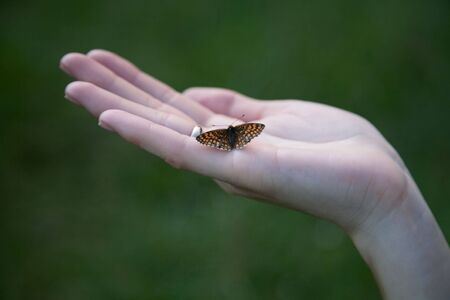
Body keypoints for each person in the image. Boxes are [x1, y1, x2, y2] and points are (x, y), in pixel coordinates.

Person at [60, 49, 450, 299]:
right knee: (223, 138)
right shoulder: (235, 134)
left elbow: (236, 137)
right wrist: (392, 211)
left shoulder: (236, 134)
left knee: (224, 138)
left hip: (225, 138)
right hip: (224, 138)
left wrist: (388, 206)